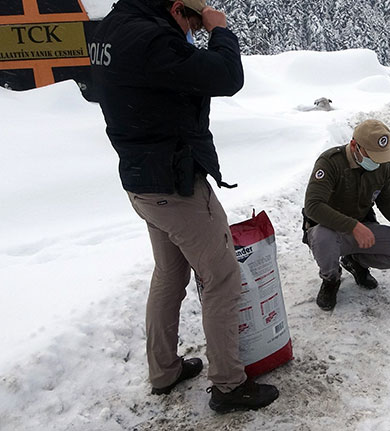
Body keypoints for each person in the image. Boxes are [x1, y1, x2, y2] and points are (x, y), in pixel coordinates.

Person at [90, 0, 278, 413]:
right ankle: (229, 385)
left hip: (141, 181)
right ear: (177, 9)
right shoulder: (151, 39)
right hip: (175, 184)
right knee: (222, 278)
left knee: (170, 275)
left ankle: (164, 371)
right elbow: (226, 77)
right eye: (191, 22)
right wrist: (219, 31)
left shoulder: (111, 29)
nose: (191, 33)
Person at [303, 119, 390, 310]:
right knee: (322, 237)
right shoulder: (331, 162)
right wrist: (353, 227)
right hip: (330, 231)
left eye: (380, 156)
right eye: (372, 156)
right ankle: (331, 279)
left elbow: (387, 199)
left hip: (363, 226)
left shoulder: (382, 164)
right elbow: (313, 206)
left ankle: (355, 261)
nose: (377, 162)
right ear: (354, 145)